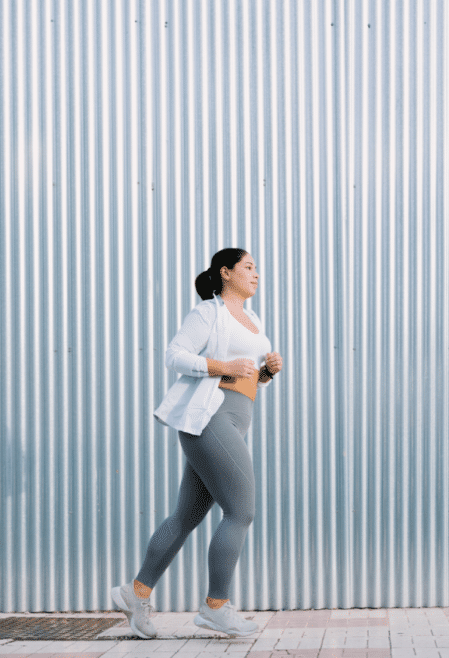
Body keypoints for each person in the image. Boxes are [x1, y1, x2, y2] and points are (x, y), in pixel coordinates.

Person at [111, 248, 282, 638]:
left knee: (185, 517)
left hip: (235, 418)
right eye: (248, 267)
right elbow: (175, 355)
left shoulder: (253, 319)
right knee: (241, 510)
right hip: (210, 418)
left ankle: (134, 593)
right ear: (226, 273)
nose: (256, 273)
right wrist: (224, 366)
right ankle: (215, 606)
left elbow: (246, 376)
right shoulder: (208, 312)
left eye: (257, 268)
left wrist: (265, 374)